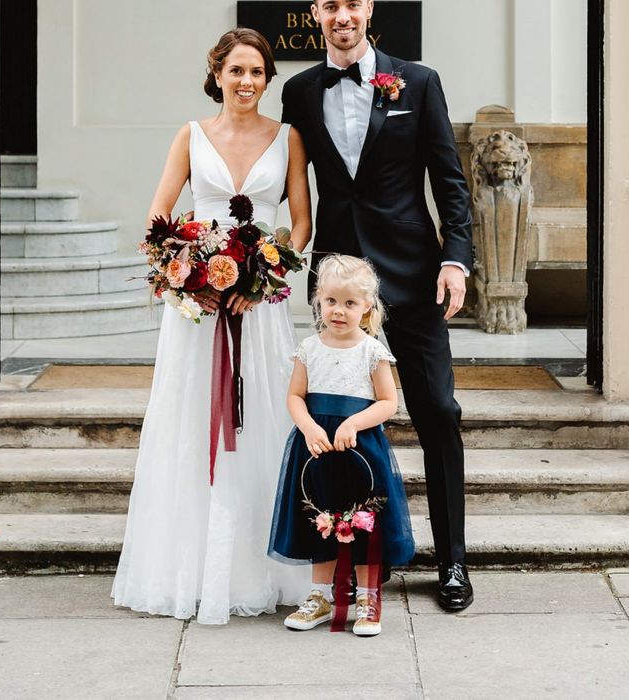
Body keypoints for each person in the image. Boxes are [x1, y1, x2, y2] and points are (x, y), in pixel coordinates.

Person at [112, 28, 312, 623]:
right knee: (192, 417)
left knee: (266, 417)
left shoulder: (288, 138)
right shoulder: (190, 136)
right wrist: (184, 272)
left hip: (262, 304)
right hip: (197, 312)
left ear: (267, 79)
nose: (247, 82)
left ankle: (261, 566)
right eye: (237, 71)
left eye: (257, 72)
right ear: (217, 74)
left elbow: (300, 223)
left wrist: (267, 275)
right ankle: (189, 568)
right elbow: (158, 214)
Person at [281, 0, 475, 611]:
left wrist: (455, 256)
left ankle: (452, 563)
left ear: (368, 9)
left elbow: (449, 178)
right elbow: (282, 179)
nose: (343, 15)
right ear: (317, 12)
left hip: (414, 277)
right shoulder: (299, 91)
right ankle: (350, 562)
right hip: (339, 289)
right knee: (336, 426)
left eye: (352, 3)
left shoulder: (418, 81)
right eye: (330, 4)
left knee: (438, 411)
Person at [269, 255, 415, 636]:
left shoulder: (372, 351)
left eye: (350, 303)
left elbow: (387, 402)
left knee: (363, 523)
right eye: (332, 301)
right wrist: (307, 427)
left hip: (360, 450)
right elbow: (295, 396)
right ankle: (319, 596)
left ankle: (367, 599)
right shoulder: (309, 348)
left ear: (367, 307)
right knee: (322, 521)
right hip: (316, 448)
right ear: (318, 299)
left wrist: (354, 421)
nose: (339, 310)